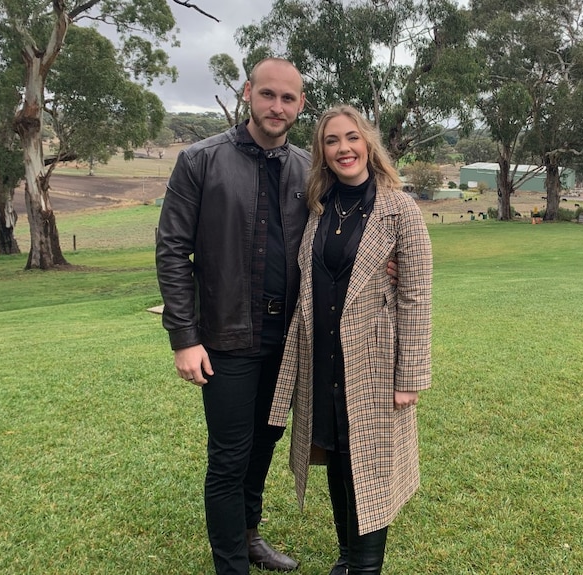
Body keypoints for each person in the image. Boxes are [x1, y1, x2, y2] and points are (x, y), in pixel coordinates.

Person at [155, 57, 308, 575]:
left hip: (285, 340)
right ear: (248, 93)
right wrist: (183, 337)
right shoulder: (199, 160)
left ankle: (248, 537)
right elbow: (172, 249)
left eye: (288, 98)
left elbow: (341, 238)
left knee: (264, 442)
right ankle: (231, 566)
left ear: (300, 105)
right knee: (228, 457)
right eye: (268, 94)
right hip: (223, 338)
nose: (277, 106)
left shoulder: (310, 169)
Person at [268, 105, 432, 575]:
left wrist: (410, 376)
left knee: (371, 468)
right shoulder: (318, 209)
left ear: (368, 144)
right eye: (332, 141)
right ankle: (346, 557)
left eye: (352, 138)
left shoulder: (399, 209)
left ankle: (364, 566)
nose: (344, 149)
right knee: (339, 456)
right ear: (322, 151)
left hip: (376, 363)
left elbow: (417, 296)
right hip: (323, 360)